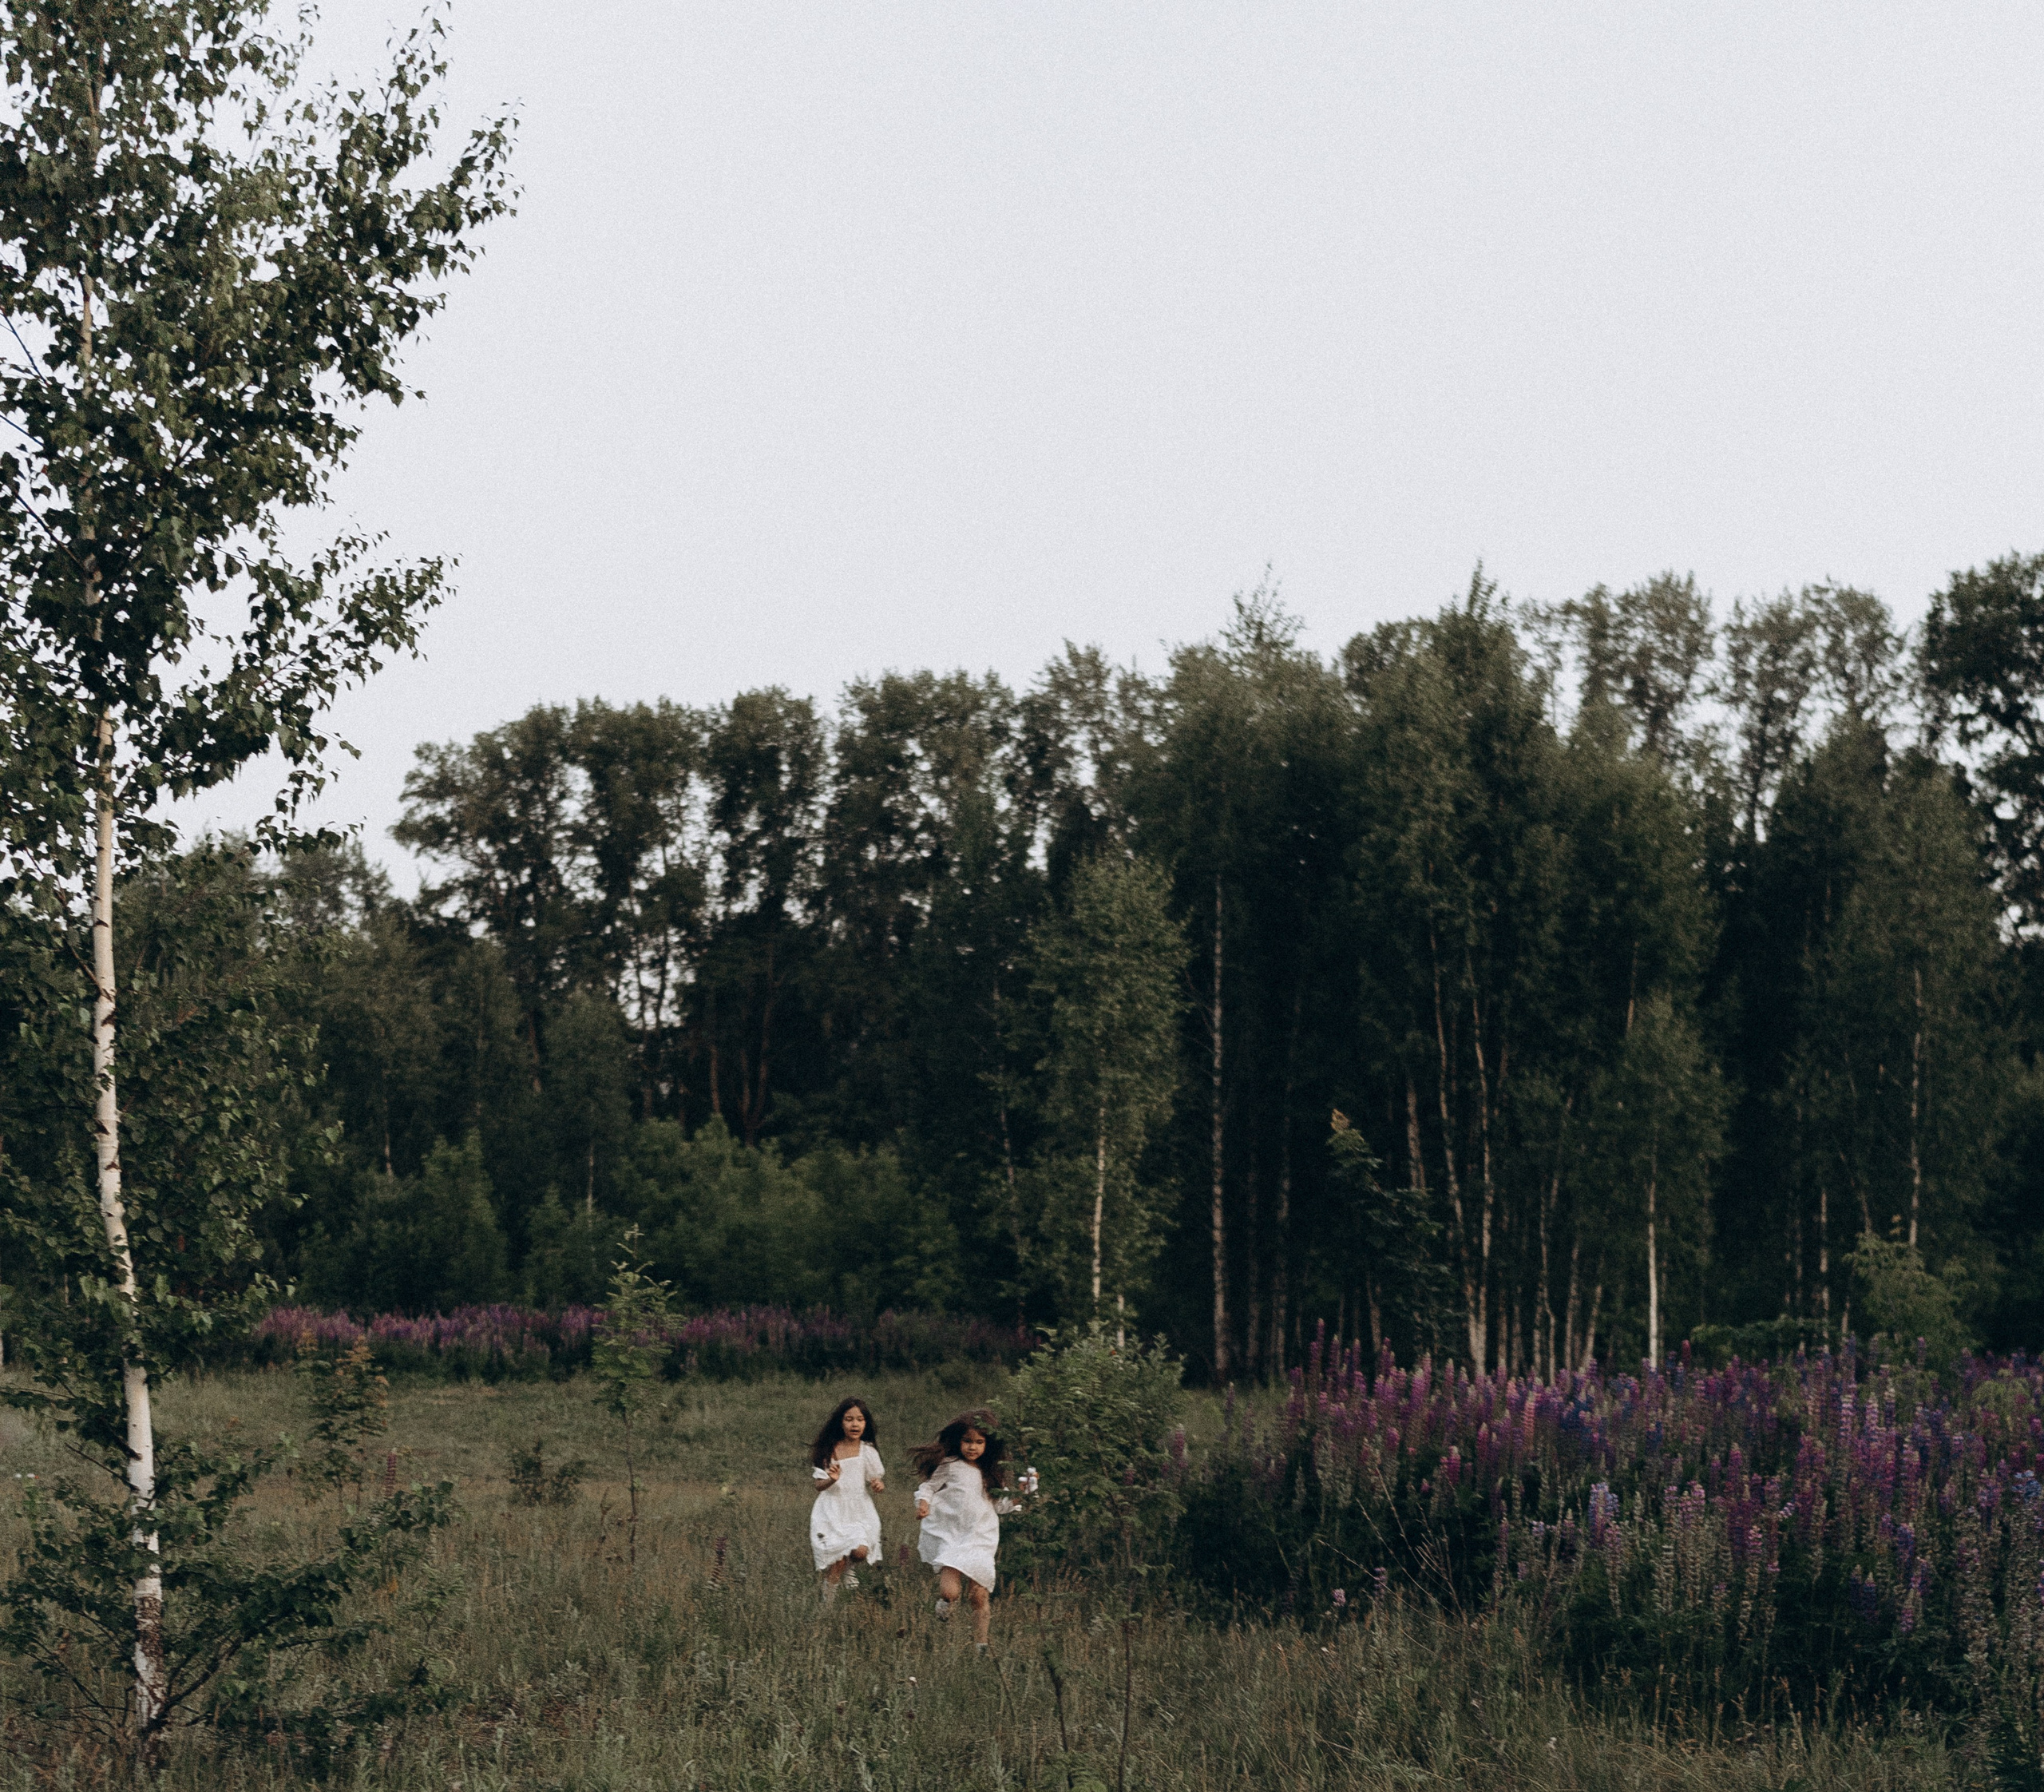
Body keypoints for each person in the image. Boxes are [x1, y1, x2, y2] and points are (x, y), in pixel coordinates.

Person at [911, 1407, 1032, 1652]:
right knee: (950, 1591)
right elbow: (928, 1487)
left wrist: (1022, 1493)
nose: (972, 1447)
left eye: (979, 1442)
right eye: (967, 1441)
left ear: (988, 1445)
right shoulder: (949, 1464)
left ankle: (981, 1645)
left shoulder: (991, 1474)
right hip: (951, 1536)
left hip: (980, 1537)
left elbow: (1001, 1505)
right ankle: (945, 1604)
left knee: (978, 1595)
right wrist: (923, 1504)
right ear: (958, 1441)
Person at [809, 1395, 884, 1605]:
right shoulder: (830, 1450)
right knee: (838, 1559)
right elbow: (818, 1485)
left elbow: (874, 1479)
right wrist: (831, 1480)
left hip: (859, 1509)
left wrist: (878, 1485)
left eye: (860, 1419)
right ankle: (828, 1601)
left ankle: (851, 1568)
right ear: (840, 1423)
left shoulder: (867, 1451)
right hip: (832, 1509)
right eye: (849, 1419)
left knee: (860, 1551)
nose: (855, 1424)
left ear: (865, 1423)